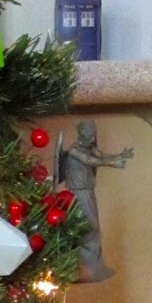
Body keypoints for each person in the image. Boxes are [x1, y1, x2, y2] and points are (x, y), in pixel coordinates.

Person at [57, 121, 133, 283]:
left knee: (93, 227)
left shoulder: (88, 147)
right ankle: (85, 267)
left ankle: (93, 267)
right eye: (89, 135)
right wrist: (112, 163)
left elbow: (100, 156)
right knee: (89, 227)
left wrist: (120, 156)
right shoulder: (75, 150)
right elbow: (90, 161)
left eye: (93, 135)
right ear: (81, 135)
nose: (92, 139)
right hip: (78, 193)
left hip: (87, 191)